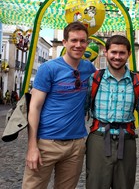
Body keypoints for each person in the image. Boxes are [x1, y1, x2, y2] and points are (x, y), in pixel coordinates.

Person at [22, 21, 96, 189]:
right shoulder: (49, 68)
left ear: (87, 43)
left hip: (76, 145)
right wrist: (32, 146)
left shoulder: (88, 68)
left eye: (82, 41)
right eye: (74, 40)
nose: (78, 45)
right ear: (65, 43)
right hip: (46, 143)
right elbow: (34, 107)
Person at [85, 35, 139, 189]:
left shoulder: (138, 83)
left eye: (122, 53)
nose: (117, 57)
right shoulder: (94, 79)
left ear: (128, 54)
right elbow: (81, 109)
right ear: (106, 53)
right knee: (95, 184)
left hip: (126, 140)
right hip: (98, 139)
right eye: (113, 52)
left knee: (125, 185)